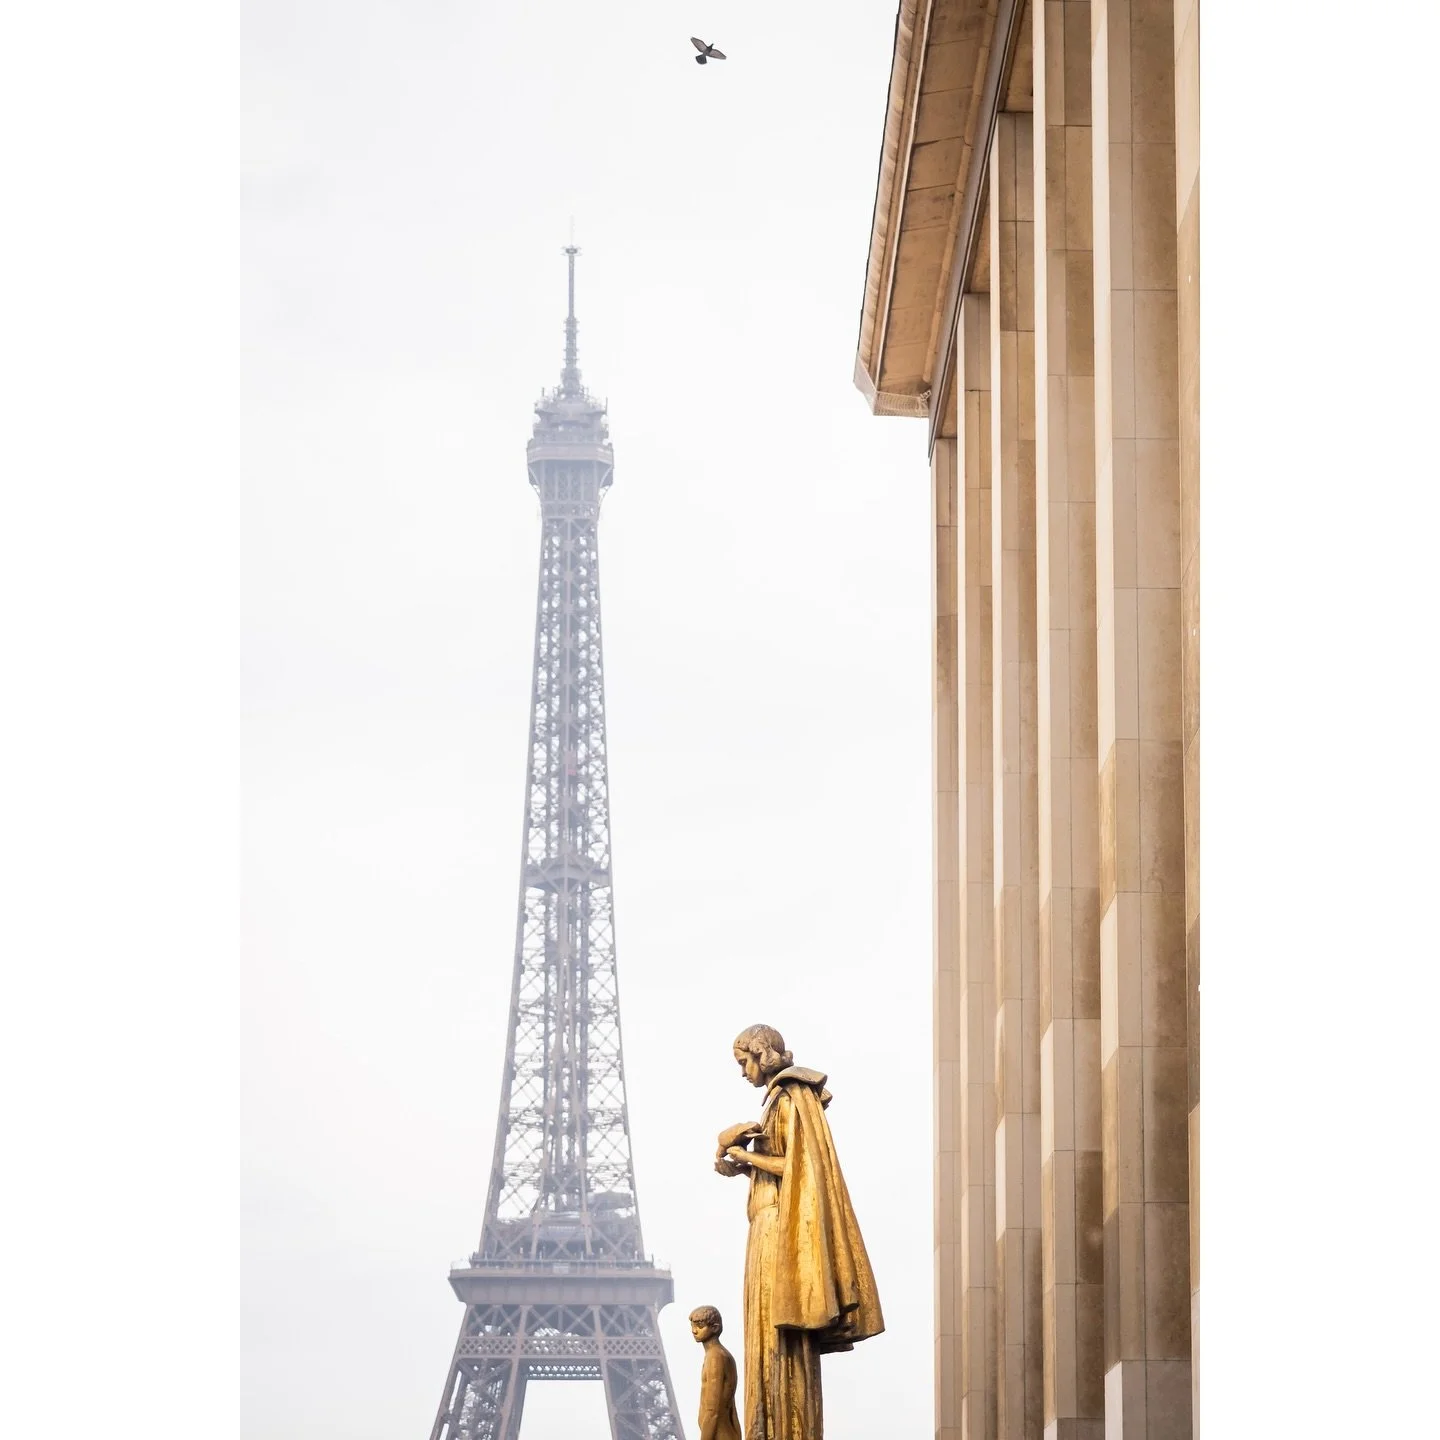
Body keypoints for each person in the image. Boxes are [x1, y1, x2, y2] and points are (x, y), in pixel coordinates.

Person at [714, 1023, 883, 1440]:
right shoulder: (775, 1103)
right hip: (765, 1227)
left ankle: (782, 1427)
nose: (741, 1073)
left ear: (760, 1053)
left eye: (742, 1062)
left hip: (778, 1230)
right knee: (768, 1337)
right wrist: (732, 1158)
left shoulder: (790, 1098)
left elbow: (799, 1168)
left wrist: (747, 1158)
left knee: (779, 1337)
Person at [688, 1304, 742, 1440]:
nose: (694, 1331)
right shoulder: (720, 1355)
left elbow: (713, 1411)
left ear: (715, 1328)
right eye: (692, 1326)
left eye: (699, 1327)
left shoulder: (715, 1357)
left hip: (718, 1434)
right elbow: (730, 1410)